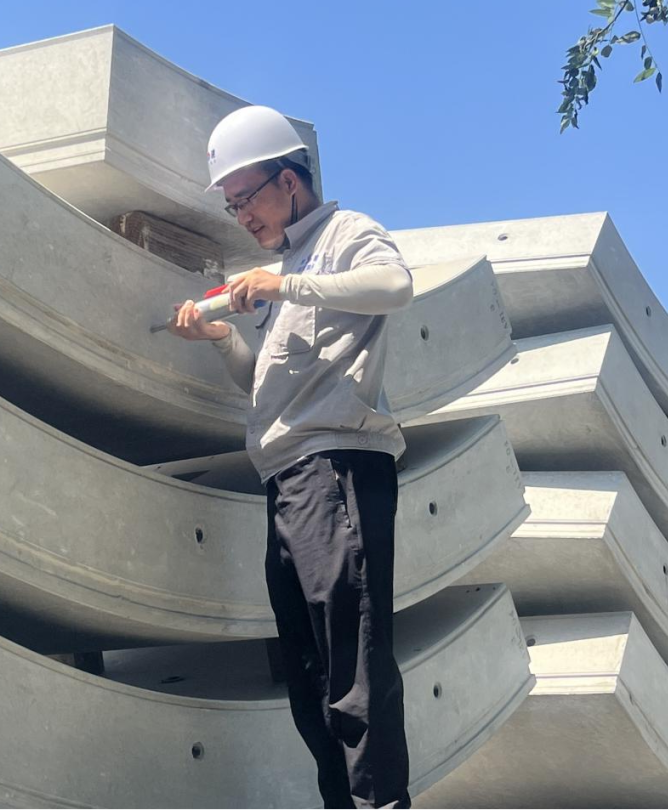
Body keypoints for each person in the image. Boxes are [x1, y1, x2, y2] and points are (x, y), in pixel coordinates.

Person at [168, 105, 413, 810]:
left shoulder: (343, 234)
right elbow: (267, 387)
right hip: (287, 479)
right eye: (232, 204)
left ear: (289, 179)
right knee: (310, 678)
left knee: (354, 669)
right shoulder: (286, 269)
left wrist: (285, 286)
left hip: (336, 468)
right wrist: (221, 337)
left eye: (246, 197)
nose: (241, 215)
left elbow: (395, 287)